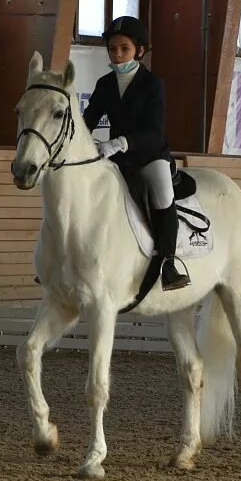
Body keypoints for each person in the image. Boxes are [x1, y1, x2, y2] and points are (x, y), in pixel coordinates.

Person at [82, 16, 191, 291]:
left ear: (140, 50)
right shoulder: (105, 84)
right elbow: (88, 121)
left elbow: (154, 131)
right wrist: (83, 144)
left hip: (150, 156)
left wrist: (119, 142)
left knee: (163, 194)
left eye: (124, 49)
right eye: (112, 49)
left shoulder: (153, 85)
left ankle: (169, 262)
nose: (117, 55)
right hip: (116, 159)